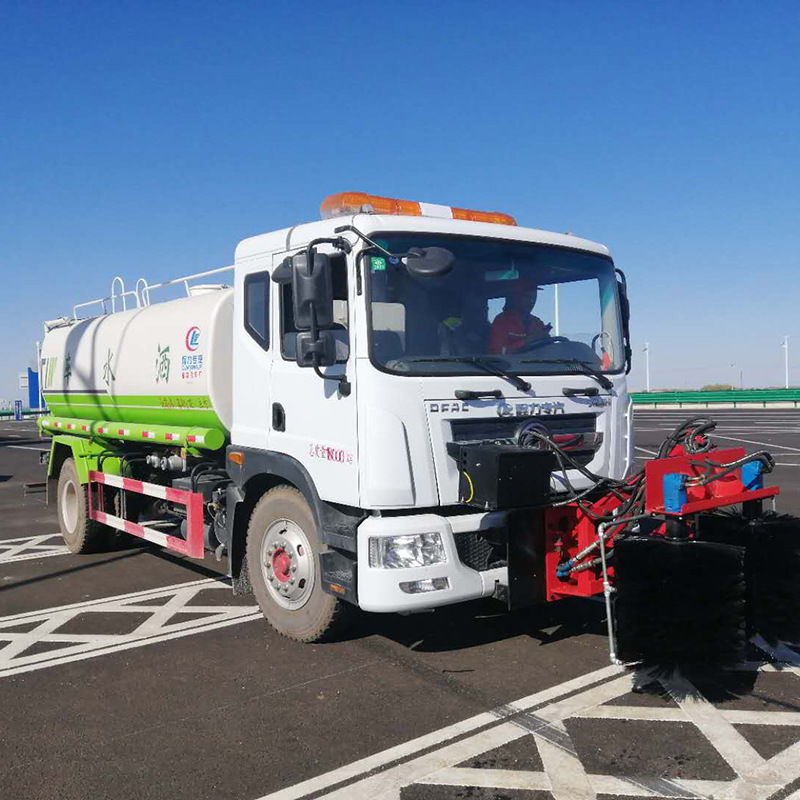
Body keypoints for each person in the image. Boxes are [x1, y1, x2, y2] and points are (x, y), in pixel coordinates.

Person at [489, 279, 551, 355]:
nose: (531, 302)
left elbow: (546, 351)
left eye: (534, 298)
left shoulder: (537, 323)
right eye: (527, 297)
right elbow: (497, 352)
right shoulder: (501, 321)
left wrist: (546, 338)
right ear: (515, 297)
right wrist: (530, 340)